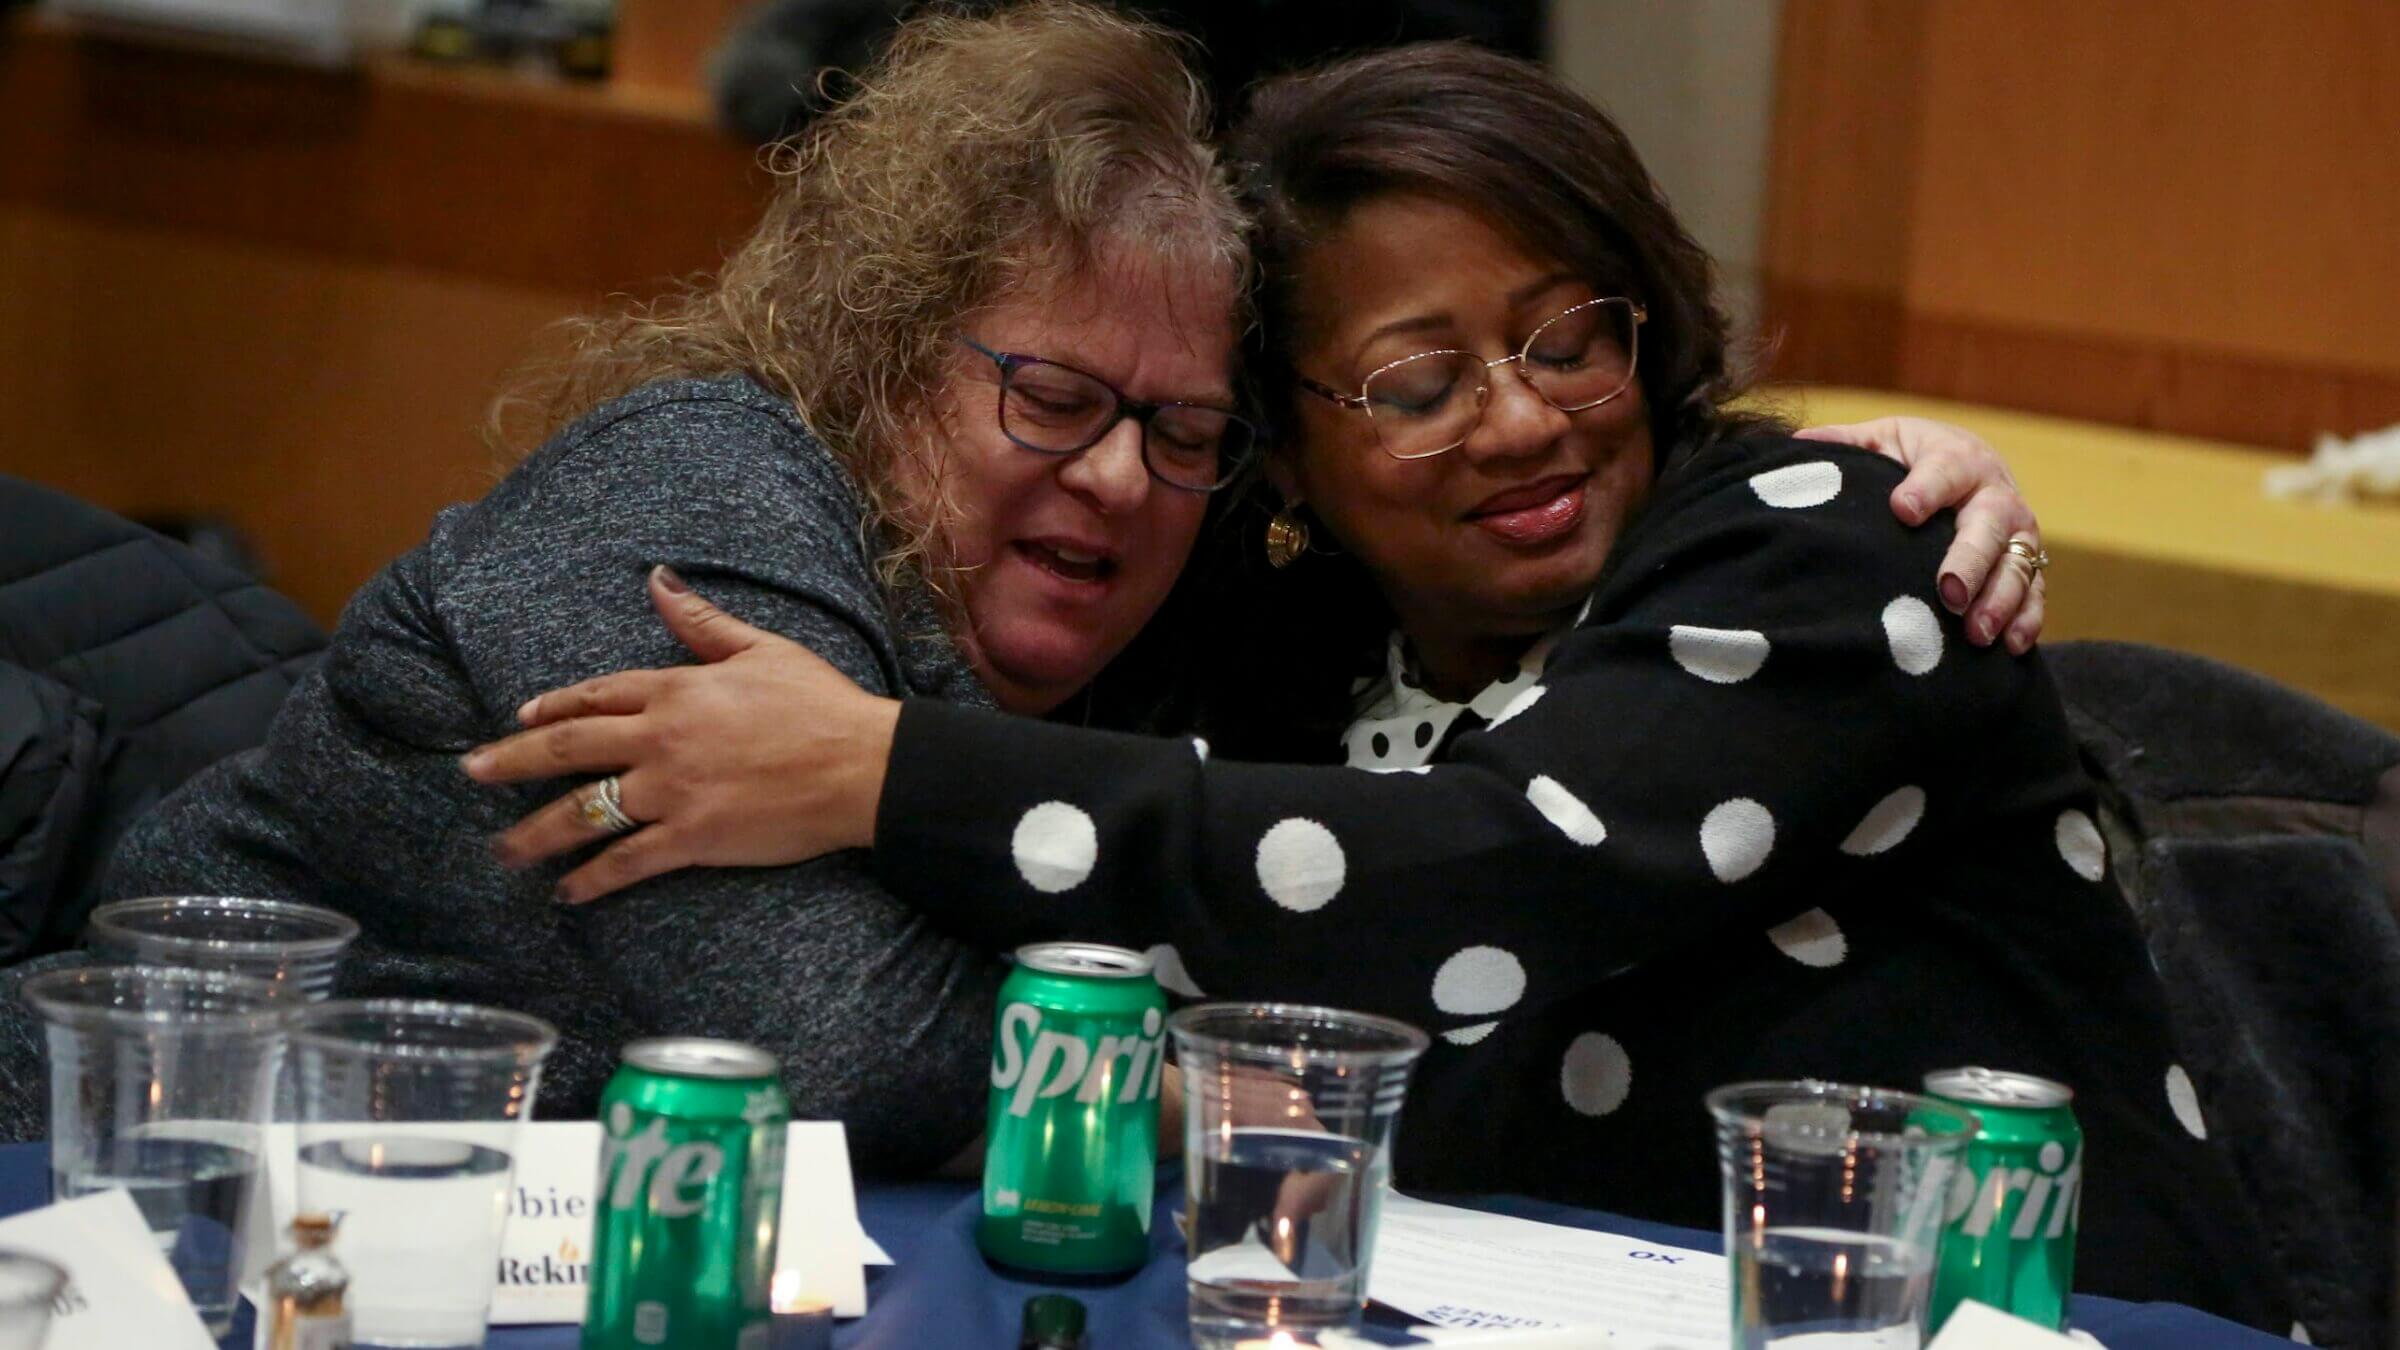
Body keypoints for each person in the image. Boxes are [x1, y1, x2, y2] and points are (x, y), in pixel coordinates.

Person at [461, 40, 2287, 1326]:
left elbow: (1487, 871)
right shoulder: (1309, 652)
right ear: (1288, 463)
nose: (1520, 416)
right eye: (1416, 382)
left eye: (1570, 334)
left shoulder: (1827, 541)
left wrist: (878, 768)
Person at [75, 3, 2030, 1172]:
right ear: (889, 349)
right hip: (112, 1199)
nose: (1124, 474)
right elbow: (832, 1052)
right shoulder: (699, 500)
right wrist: (1299, 1039)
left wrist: (1836, 476)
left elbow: (1453, 860)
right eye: (1054, 397)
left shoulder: (1191, 605)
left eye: (1185, 430)